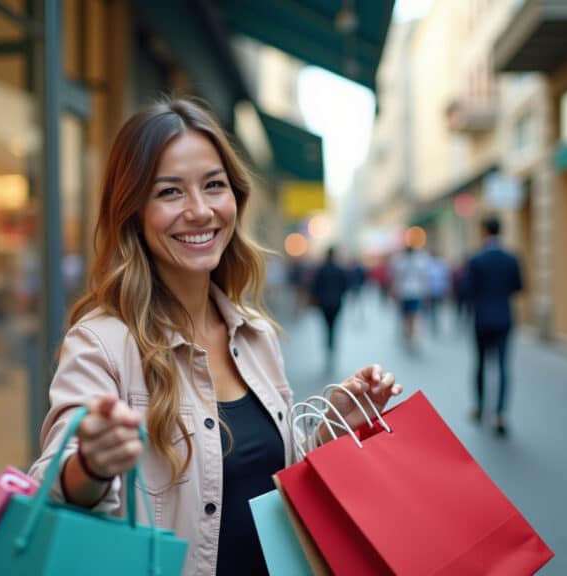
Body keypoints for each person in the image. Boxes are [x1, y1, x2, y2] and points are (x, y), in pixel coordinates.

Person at [26, 98, 402, 576]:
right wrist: (91, 465)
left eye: (213, 185)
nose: (200, 210)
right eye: (170, 192)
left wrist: (330, 428)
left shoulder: (255, 333)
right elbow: (51, 485)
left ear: (235, 198)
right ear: (133, 211)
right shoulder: (101, 343)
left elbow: (264, 478)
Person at [460, 216, 522, 435]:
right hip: (504, 318)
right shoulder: (511, 258)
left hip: (482, 318)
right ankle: (500, 414)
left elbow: (467, 290)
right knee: (504, 366)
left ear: (484, 231)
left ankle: (479, 408)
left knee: (481, 364)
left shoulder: (476, 259)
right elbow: (518, 286)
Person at [310, 246, 349, 371]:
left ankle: (328, 346)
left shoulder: (321, 270)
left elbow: (315, 287)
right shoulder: (339, 270)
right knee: (334, 326)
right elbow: (345, 286)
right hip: (336, 303)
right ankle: (331, 346)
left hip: (324, 303)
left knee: (326, 326)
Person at [389, 244, 432, 350]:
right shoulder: (406, 260)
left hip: (411, 293)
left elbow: (423, 278)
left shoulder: (405, 260)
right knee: (409, 316)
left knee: (410, 316)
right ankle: (409, 335)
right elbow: (397, 277)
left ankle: (410, 336)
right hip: (409, 293)